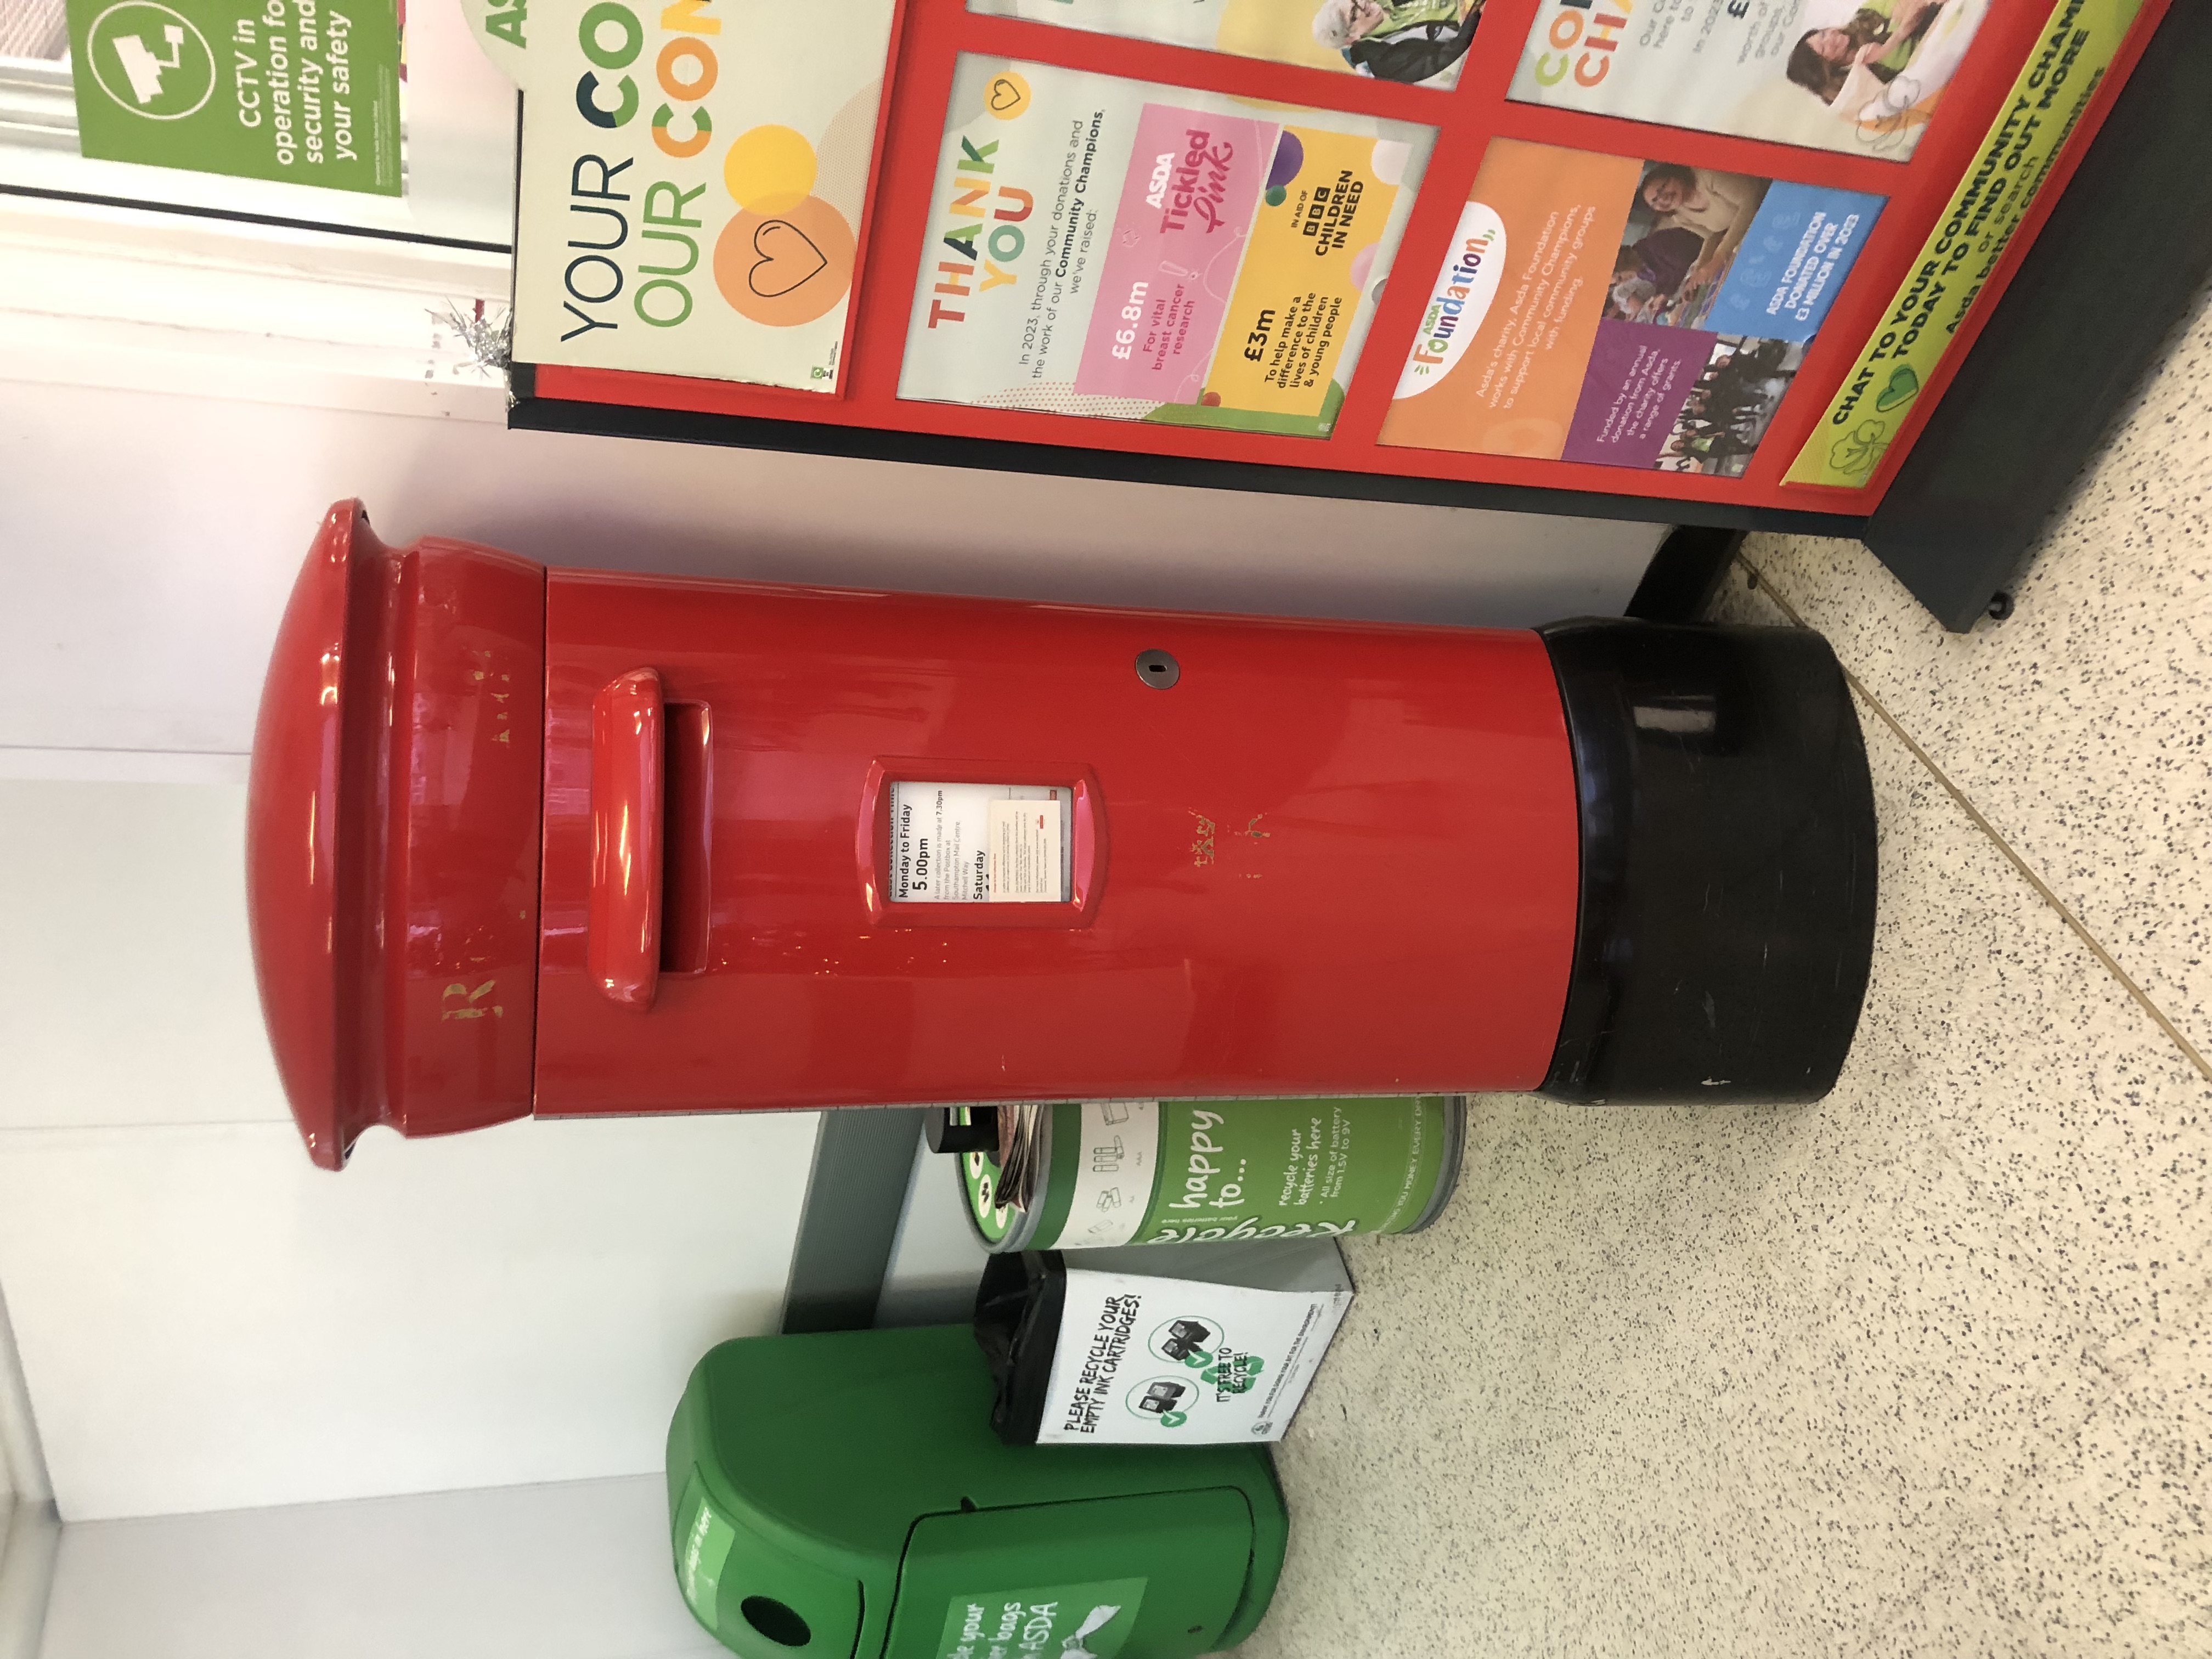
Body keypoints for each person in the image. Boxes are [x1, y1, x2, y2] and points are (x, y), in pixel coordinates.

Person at [1786, 0, 1946, 104]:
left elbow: (1914, 6)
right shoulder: (1864, 84)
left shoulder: (1866, 15)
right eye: (1823, 48)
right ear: (1826, 68)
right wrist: (1888, 45)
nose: (1830, 38)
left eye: (1823, 34)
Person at [1637, 163, 1764, 295]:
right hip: (1750, 237)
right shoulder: (1680, 216)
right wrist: (1696, 275)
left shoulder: (1707, 175)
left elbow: (1751, 202)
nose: (1663, 199)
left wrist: (1718, 258)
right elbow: (1712, 236)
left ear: (1674, 174)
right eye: (1655, 201)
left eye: (1663, 187)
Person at [1312, 0, 1484, 85]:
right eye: (1354, 14)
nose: (1364, 4)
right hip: (1480, 28)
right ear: (1351, 38)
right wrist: (1476, 13)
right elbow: (1446, 59)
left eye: (1355, 1)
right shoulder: (1384, 62)